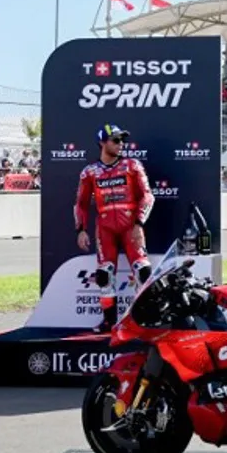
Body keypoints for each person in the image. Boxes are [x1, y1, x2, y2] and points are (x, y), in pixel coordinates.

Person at [74, 124, 155, 333]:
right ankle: (109, 323)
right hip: (105, 228)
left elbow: (147, 195)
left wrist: (139, 223)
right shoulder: (89, 172)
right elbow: (81, 203)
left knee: (143, 272)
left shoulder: (132, 165)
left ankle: (142, 320)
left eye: (122, 140)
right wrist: (80, 229)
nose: (121, 145)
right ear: (102, 142)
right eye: (116, 140)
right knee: (104, 276)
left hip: (131, 226)